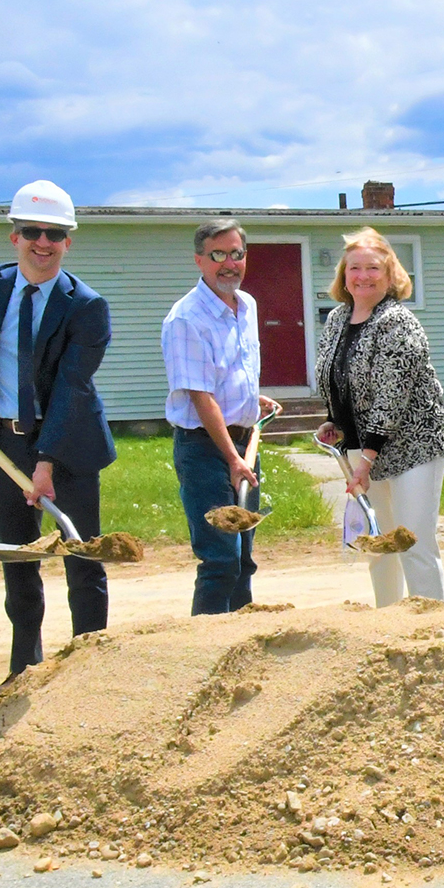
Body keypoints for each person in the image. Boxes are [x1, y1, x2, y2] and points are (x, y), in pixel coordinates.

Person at [0, 181, 116, 694]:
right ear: (13, 236)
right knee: (17, 559)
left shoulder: (86, 306)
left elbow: (71, 388)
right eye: (33, 232)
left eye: (55, 234)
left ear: (70, 241)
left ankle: (91, 671)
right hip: (3, 442)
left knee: (82, 558)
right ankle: (24, 671)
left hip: (70, 446)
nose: (43, 243)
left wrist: (46, 462)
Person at [313, 227, 444, 607]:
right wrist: (334, 420)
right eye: (354, 267)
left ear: (390, 275)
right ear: (344, 274)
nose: (363, 276)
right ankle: (387, 623)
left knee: (411, 541)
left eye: (373, 268)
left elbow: (391, 395)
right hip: (363, 447)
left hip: (413, 447)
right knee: (379, 546)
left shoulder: (398, 322)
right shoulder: (338, 320)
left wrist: (367, 459)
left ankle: (432, 628)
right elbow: (336, 377)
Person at [162, 219, 282, 615]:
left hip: (245, 443)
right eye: (218, 255)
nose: (229, 263)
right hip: (206, 452)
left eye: (237, 253)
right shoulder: (186, 318)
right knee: (220, 560)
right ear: (199, 260)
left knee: (244, 558)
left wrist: (250, 400)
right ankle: (206, 651)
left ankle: (240, 645)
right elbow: (200, 395)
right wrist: (232, 459)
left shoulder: (246, 306)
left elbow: (226, 371)